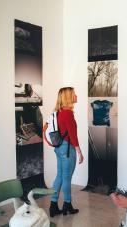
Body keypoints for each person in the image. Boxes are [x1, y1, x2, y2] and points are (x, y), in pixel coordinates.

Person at [43, 87, 84, 217]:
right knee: (66, 178)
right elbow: (72, 134)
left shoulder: (59, 112)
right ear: (68, 97)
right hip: (67, 149)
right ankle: (67, 204)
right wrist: (79, 152)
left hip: (59, 148)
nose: (76, 96)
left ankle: (53, 205)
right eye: (74, 94)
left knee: (60, 176)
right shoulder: (68, 113)